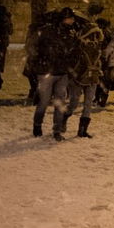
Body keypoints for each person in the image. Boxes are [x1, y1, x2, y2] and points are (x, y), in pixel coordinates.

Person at [32, 8, 81, 140]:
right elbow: (40, 49)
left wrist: (69, 63)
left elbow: (75, 52)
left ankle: (57, 130)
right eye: (70, 18)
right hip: (47, 71)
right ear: (64, 18)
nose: (72, 21)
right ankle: (37, 125)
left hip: (62, 72)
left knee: (60, 102)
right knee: (44, 101)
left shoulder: (71, 33)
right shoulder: (49, 31)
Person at [58, 10, 104, 140]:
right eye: (91, 36)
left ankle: (82, 130)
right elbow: (71, 62)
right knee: (74, 103)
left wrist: (98, 67)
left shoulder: (97, 48)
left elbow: (100, 61)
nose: (94, 39)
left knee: (88, 103)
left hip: (92, 77)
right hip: (77, 78)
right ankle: (64, 119)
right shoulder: (77, 47)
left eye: (96, 36)